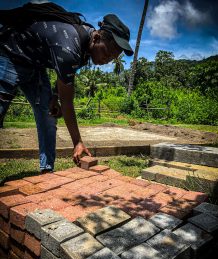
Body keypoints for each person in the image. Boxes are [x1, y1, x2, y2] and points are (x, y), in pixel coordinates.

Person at [0, 4, 133, 173]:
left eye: (112, 58)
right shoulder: (70, 46)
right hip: (10, 54)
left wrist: (54, 96)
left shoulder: (86, 49)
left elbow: (64, 77)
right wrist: (77, 142)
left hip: (35, 64)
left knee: (48, 116)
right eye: (107, 52)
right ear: (97, 38)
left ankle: (47, 171)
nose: (107, 59)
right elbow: (67, 101)